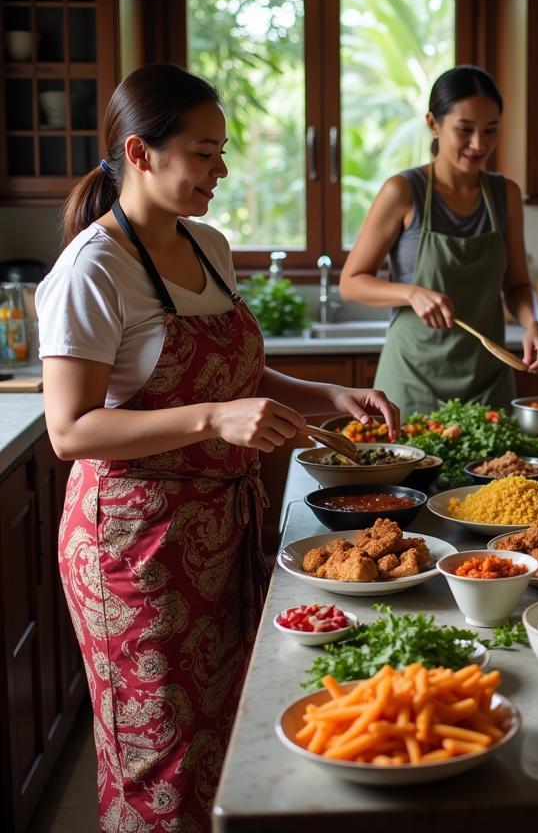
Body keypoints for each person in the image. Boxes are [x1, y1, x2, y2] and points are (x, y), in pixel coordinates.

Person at [37, 63, 398, 832]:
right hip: (133, 549)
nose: (222, 171)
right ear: (140, 154)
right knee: (157, 761)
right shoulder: (93, 269)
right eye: (204, 153)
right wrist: (212, 420)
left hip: (220, 529)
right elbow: (71, 431)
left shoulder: (208, 245)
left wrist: (327, 395)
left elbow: (240, 368)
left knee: (222, 738)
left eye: (222, 151)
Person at [341, 64, 538, 416]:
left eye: (490, 130)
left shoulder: (506, 195)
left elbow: (516, 285)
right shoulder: (403, 191)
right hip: (413, 381)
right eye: (464, 130)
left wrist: (534, 324)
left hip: (488, 383)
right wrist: (411, 292)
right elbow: (351, 283)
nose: (478, 144)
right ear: (433, 124)